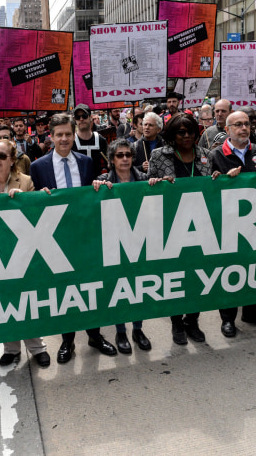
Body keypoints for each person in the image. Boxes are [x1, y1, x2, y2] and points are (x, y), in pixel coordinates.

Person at [30, 113, 117, 363]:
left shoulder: (86, 163)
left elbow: (92, 195)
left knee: (91, 286)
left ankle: (95, 335)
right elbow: (32, 205)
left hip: (84, 235)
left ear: (73, 134)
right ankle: (67, 341)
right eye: (59, 135)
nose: (65, 138)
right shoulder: (38, 167)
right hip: (55, 238)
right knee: (64, 291)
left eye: (68, 133)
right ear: (52, 137)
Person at [0, 139, 51, 368]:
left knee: (25, 299)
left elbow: (37, 213)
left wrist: (26, 200)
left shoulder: (25, 181)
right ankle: (11, 348)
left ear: (12, 160)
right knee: (3, 301)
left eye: (2, 156)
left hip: (22, 250)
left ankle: (37, 347)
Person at [208, 111, 256, 338]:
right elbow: (206, 188)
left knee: (255, 268)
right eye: (237, 124)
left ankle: (252, 312)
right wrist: (224, 180)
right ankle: (228, 319)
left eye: (246, 124)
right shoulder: (216, 155)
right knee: (230, 270)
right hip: (228, 224)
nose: (243, 128)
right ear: (227, 130)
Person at [93, 139, 162, 353]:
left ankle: (138, 329)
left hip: (140, 242)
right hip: (115, 244)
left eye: (128, 155)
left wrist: (159, 184)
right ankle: (120, 331)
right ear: (112, 160)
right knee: (119, 289)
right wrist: (97, 188)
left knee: (139, 287)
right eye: (119, 155)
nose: (124, 159)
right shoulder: (104, 180)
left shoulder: (144, 178)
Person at [147, 113, 206, 345]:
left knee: (199, 276)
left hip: (202, 227)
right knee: (175, 276)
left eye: (190, 131)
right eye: (181, 132)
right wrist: (155, 184)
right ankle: (176, 322)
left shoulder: (206, 156)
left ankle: (193, 319)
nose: (187, 136)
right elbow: (149, 188)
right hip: (170, 228)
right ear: (172, 134)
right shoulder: (159, 156)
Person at [72, 103, 108, 178]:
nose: (81, 119)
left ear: (90, 117)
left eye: (84, 116)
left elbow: (109, 164)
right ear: (75, 120)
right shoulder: (71, 141)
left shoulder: (101, 140)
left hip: (99, 185)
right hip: (77, 186)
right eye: (78, 117)